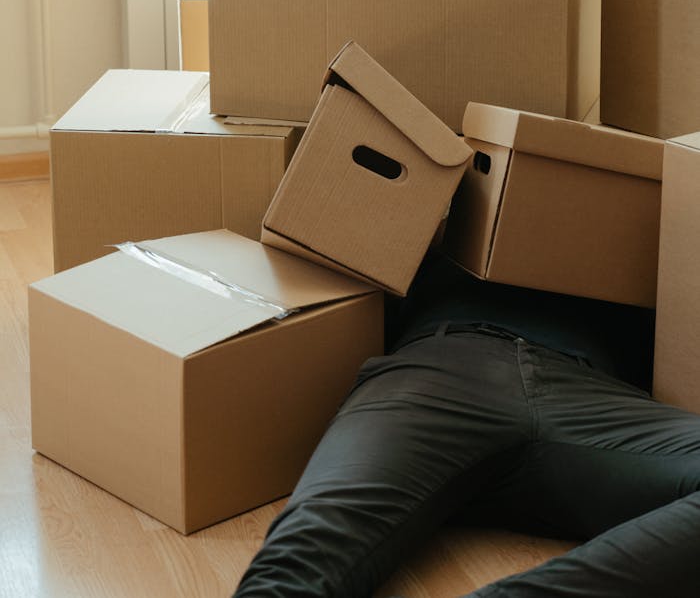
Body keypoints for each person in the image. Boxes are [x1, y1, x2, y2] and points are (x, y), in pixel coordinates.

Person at [232, 250, 700, 598]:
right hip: (442, 370)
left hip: (591, 399)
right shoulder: (452, 203)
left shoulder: (652, 216)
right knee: (300, 556)